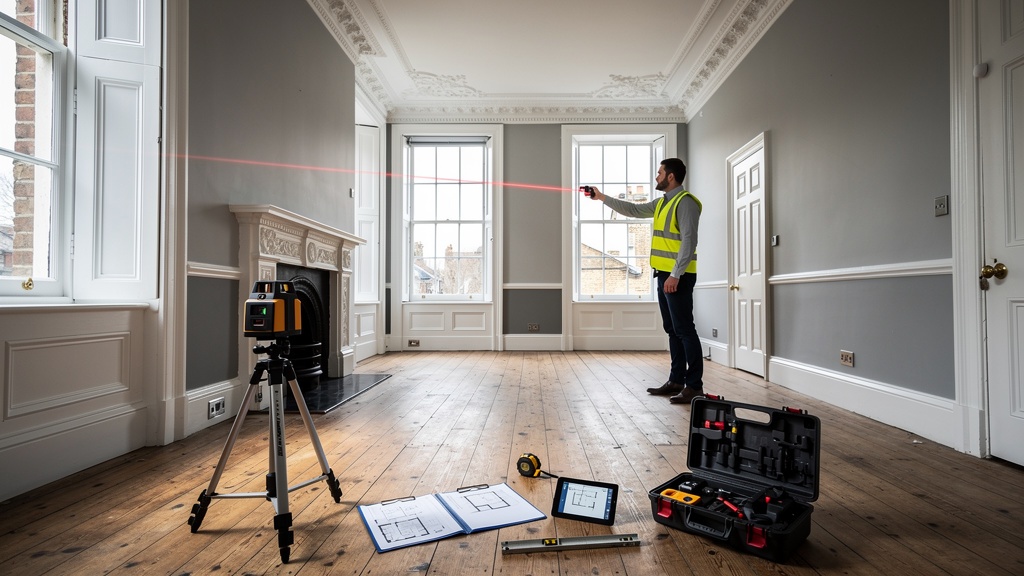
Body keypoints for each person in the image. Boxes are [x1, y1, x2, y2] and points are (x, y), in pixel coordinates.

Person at [584, 158, 704, 405]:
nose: (656, 176)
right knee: (672, 330)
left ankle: (694, 386)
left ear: (670, 176)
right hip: (663, 274)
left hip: (677, 276)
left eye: (659, 173)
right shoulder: (662, 204)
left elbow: (689, 242)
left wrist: (675, 275)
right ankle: (676, 380)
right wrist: (602, 197)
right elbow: (634, 210)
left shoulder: (686, 203)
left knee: (684, 330)